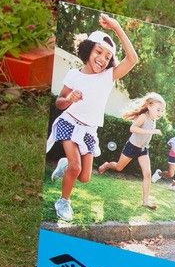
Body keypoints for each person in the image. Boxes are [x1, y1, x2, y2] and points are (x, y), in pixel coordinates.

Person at [47, 15, 140, 221]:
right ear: (88, 49)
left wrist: (116, 26)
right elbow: (59, 103)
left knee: (85, 177)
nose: (102, 58)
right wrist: (70, 98)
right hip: (69, 122)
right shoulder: (73, 75)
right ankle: (63, 201)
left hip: (89, 130)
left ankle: (64, 165)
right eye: (99, 52)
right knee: (76, 166)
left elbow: (132, 59)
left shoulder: (108, 77)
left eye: (108, 56)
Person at [97, 93, 167, 210]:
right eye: (158, 110)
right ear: (149, 106)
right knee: (119, 167)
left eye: (162, 111)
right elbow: (132, 128)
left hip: (143, 149)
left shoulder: (153, 119)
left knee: (148, 173)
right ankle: (107, 165)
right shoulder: (143, 117)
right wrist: (152, 132)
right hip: (132, 147)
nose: (160, 113)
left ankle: (145, 201)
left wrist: (150, 133)